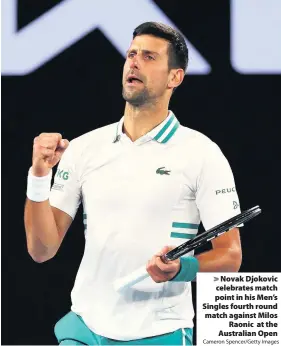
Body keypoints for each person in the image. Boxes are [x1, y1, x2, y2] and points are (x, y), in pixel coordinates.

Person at [24, 22, 242, 345]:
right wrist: (39, 176)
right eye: (131, 54)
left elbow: (230, 256)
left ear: (175, 77)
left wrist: (181, 268)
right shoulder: (84, 149)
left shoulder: (203, 155)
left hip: (160, 332)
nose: (134, 62)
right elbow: (41, 249)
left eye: (150, 57)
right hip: (85, 328)